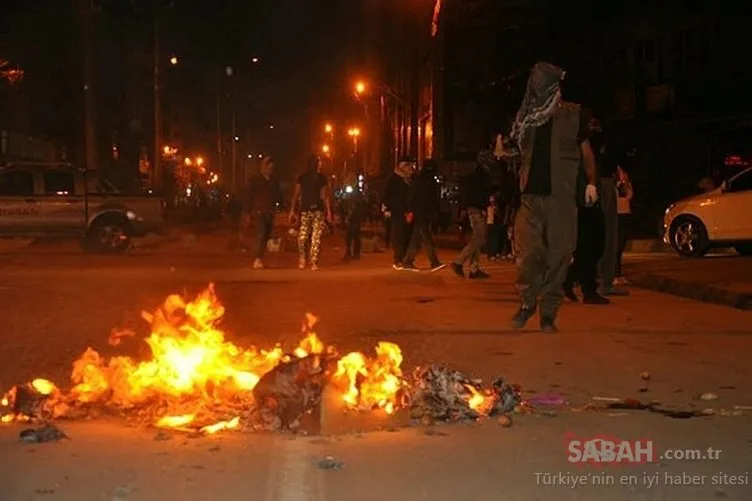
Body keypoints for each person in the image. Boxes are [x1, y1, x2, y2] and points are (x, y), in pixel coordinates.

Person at [505, 61, 598, 333]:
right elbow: (518, 151)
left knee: (559, 256)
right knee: (529, 253)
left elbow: (586, 152)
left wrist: (591, 183)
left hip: (561, 197)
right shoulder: (527, 118)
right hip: (530, 197)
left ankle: (548, 314)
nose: (533, 85)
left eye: (538, 80)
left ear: (551, 84)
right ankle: (527, 302)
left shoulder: (573, 114)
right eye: (532, 80)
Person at [562, 115, 609, 305]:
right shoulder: (580, 140)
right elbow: (588, 161)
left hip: (578, 196)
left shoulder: (570, 141)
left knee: (585, 245)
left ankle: (570, 280)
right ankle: (586, 287)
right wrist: (591, 184)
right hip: (583, 196)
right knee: (593, 243)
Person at [596, 125, 629, 296]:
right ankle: (603, 282)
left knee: (606, 234)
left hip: (599, 182)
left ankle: (602, 280)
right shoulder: (597, 140)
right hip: (602, 182)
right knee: (607, 234)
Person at [451, 156, 492, 279]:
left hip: (473, 208)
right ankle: (459, 261)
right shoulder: (482, 178)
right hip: (476, 208)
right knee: (479, 238)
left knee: (477, 237)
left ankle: (474, 268)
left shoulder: (474, 177)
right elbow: (481, 194)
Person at [401, 159, 446, 272]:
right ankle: (434, 261)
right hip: (421, 213)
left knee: (417, 238)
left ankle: (407, 260)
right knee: (426, 237)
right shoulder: (423, 181)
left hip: (422, 213)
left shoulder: (423, 180)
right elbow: (416, 197)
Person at [289, 154, 332, 271]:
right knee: (303, 236)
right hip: (305, 210)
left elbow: (324, 196)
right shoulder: (302, 178)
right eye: (318, 162)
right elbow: (296, 195)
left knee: (316, 237)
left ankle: (313, 261)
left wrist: (328, 211)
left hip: (318, 210)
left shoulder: (322, 178)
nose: (319, 164)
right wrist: (292, 210)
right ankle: (303, 257)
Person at [244, 155, 283, 269]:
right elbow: (249, 196)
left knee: (266, 235)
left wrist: (281, 206)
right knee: (260, 234)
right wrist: (247, 213)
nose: (270, 169)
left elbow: (278, 196)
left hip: (269, 212)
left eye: (272, 168)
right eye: (268, 167)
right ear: (263, 166)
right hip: (258, 211)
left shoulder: (274, 181)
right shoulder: (255, 180)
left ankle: (260, 257)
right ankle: (257, 258)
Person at [383, 157, 414, 270]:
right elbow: (390, 195)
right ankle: (398, 259)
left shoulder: (408, 180)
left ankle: (404, 259)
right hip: (398, 211)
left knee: (406, 235)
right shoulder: (395, 179)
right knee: (398, 235)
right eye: (407, 166)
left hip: (407, 211)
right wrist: (388, 209)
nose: (409, 168)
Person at [615, 165, 633, 283]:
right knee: (616, 244)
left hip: (625, 212)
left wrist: (625, 183)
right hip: (616, 213)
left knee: (621, 243)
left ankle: (618, 273)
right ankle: (614, 273)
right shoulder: (612, 180)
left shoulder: (626, 179)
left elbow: (630, 195)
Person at [343, 188, 367, 261]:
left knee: (350, 236)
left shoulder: (355, 196)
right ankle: (354, 254)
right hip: (356, 217)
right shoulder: (356, 194)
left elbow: (353, 207)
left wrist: (348, 217)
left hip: (354, 218)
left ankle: (351, 253)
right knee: (354, 236)